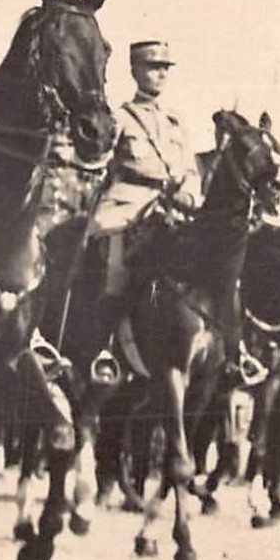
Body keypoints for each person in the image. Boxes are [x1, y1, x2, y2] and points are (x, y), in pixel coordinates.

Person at [87, 40, 200, 365]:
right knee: (116, 270)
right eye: (153, 67)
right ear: (135, 71)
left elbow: (191, 170)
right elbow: (99, 163)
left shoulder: (175, 121)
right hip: (128, 205)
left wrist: (189, 195)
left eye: (165, 67)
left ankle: (226, 348)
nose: (161, 74)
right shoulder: (120, 117)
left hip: (173, 208)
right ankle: (104, 350)